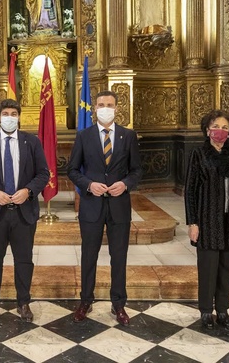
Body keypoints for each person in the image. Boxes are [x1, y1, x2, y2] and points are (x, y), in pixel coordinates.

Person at [0, 99, 50, 325]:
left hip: (24, 213)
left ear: (19, 117)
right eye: (5, 113)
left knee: (24, 261)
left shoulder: (31, 142)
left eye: (14, 113)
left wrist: (29, 191)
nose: (10, 116)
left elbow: (44, 174)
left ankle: (23, 303)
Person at [68, 90, 142, 325]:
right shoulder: (83, 136)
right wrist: (89, 185)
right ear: (94, 108)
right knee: (89, 256)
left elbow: (137, 170)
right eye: (101, 104)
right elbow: (72, 170)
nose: (105, 108)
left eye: (110, 104)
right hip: (91, 206)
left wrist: (125, 184)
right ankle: (85, 301)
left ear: (116, 108)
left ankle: (118, 304)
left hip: (119, 206)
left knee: (118, 256)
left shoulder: (128, 136)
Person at [184, 109, 229, 330]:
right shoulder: (198, 154)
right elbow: (190, 191)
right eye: (216, 127)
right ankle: (206, 310)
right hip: (207, 221)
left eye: (225, 128)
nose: (220, 131)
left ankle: (223, 310)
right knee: (208, 267)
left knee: (226, 268)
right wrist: (192, 222)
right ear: (207, 130)